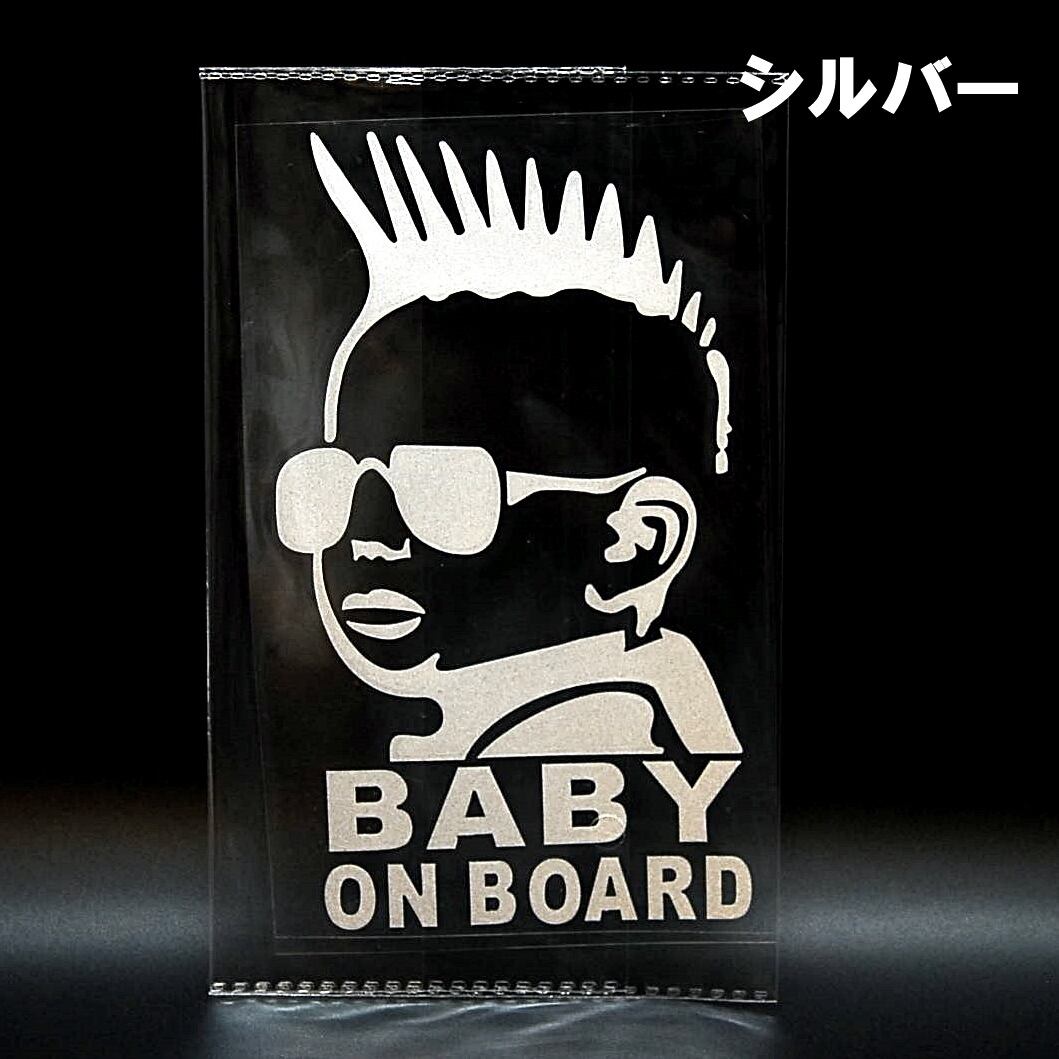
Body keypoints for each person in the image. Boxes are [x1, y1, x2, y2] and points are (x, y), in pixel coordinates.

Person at [275, 131, 741, 763]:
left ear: (639, 540)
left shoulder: (660, 768)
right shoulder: (432, 755)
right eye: (332, 483)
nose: (369, 536)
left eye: (443, 492)